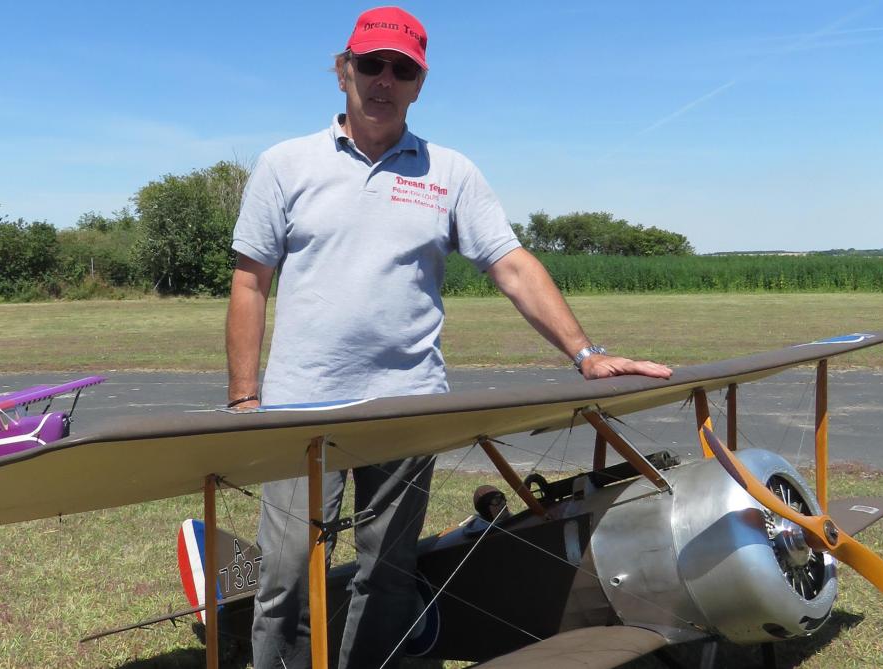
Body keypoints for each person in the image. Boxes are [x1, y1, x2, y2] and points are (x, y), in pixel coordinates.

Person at [225, 7, 673, 668]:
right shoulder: (284, 164)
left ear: (419, 83)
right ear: (343, 69)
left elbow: (513, 266)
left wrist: (585, 351)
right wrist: (243, 402)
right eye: (370, 63)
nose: (383, 79)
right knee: (285, 577)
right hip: (300, 409)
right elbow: (249, 282)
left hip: (411, 407)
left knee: (389, 571)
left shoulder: (449, 172)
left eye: (401, 68)